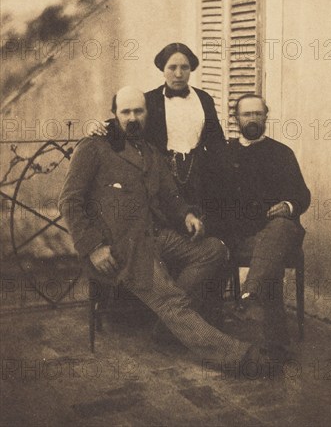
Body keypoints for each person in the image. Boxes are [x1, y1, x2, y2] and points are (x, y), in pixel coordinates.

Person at [59, 85, 260, 370]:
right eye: (125, 111)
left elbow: (170, 197)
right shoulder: (94, 149)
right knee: (171, 299)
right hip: (120, 248)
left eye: (138, 111)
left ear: (147, 114)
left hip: (155, 236)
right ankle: (238, 357)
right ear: (114, 115)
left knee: (214, 250)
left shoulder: (151, 153)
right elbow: (69, 202)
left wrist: (187, 215)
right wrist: (93, 247)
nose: (132, 118)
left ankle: (166, 329)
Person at [213, 94, 311, 357]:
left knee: (279, 229)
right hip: (242, 236)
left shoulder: (281, 153)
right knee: (270, 259)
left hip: (276, 230)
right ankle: (275, 342)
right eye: (247, 114)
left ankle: (251, 291)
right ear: (236, 119)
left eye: (258, 113)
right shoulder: (224, 153)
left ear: (266, 116)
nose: (253, 119)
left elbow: (302, 195)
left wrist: (288, 205)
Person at [89, 43, 226, 216]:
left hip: (197, 173)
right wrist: (100, 127)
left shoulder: (204, 99)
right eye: (172, 67)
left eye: (184, 67)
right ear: (163, 69)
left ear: (191, 69)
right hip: (162, 172)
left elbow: (216, 140)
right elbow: (128, 124)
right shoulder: (150, 100)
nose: (178, 74)